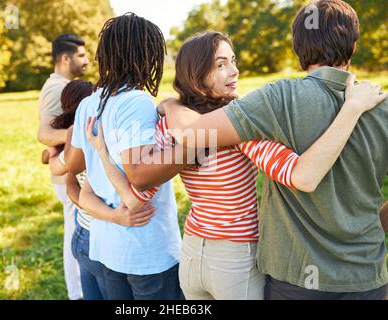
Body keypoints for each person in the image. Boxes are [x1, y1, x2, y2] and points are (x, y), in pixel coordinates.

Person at [85, 30, 384, 300]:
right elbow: (297, 174)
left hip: (192, 255)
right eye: (221, 64)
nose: (235, 70)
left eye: (233, 60)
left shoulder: (168, 129)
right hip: (234, 258)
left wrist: (102, 153)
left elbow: (133, 199)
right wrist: (352, 108)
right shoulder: (240, 131)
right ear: (197, 75)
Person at [160, 0, 388, 299]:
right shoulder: (381, 107)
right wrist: (372, 227)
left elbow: (192, 134)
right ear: (355, 47)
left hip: (296, 279)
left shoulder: (277, 98)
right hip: (367, 277)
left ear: (298, 48)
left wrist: (170, 103)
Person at [65, 13, 183, 300]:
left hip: (108, 246)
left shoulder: (89, 103)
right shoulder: (137, 101)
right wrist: (187, 153)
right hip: (147, 252)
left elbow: (76, 167)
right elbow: (139, 175)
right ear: (146, 56)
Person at [37, 33, 88, 300]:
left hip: (68, 168)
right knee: (75, 235)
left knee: (78, 231)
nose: (87, 60)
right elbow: (44, 133)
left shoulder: (64, 84)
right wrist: (80, 137)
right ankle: (77, 294)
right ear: (65, 58)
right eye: (81, 55)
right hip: (67, 174)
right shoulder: (56, 87)